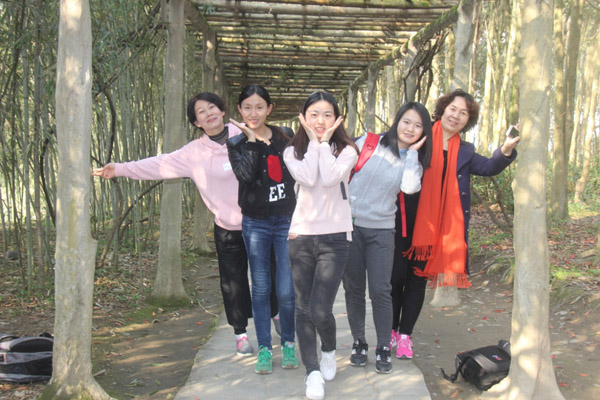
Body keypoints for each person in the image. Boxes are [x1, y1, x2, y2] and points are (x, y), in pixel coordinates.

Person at [92, 92, 277, 358]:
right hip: (228, 227)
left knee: (269, 275)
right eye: (201, 112)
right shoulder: (194, 153)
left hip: (260, 222)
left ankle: (276, 313)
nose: (209, 113)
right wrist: (120, 169)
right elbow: (158, 165)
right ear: (196, 123)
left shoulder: (246, 132)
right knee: (233, 282)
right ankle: (240, 333)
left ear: (223, 111)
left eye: (212, 107)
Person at [397, 90, 519, 358]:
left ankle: (405, 335)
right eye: (453, 108)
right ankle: (390, 332)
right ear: (443, 109)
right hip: (404, 219)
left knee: (417, 281)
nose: (456, 115)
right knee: (395, 279)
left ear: (467, 120)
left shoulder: (465, 151)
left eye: (464, 113)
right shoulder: (421, 135)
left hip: (435, 229)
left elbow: (489, 167)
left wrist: (506, 149)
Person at [343, 102, 430, 374]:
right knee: (354, 289)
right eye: (407, 121)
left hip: (382, 230)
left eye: (418, 126)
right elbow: (341, 170)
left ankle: (383, 345)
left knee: (381, 289)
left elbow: (410, 187)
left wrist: (412, 155)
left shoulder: (413, 161)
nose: (410, 129)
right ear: (397, 120)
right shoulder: (368, 142)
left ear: (423, 132)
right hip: (351, 227)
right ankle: (359, 342)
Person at [283, 91, 358, 400]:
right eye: (314, 114)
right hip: (301, 235)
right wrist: (314, 145)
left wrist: (323, 144)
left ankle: (328, 349)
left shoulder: (348, 150)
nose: (320, 120)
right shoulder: (292, 151)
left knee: (320, 309)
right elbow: (306, 177)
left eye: (327, 114)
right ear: (303, 117)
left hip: (336, 237)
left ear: (337, 118)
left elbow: (328, 178)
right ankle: (312, 372)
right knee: (302, 308)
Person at [227, 84, 298, 375]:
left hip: (286, 220)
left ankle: (289, 343)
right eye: (247, 107)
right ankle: (266, 348)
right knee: (260, 287)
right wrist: (253, 141)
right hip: (255, 222)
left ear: (269, 109)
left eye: (259, 107)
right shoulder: (236, 143)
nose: (253, 113)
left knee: (286, 289)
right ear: (239, 110)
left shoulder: (286, 136)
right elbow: (244, 175)